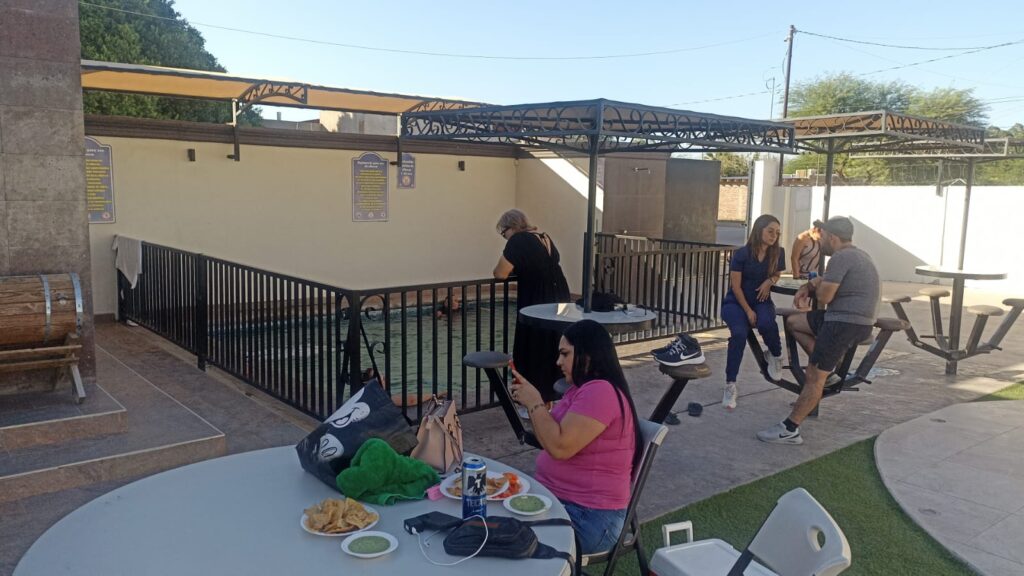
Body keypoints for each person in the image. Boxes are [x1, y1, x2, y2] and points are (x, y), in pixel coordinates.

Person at [509, 319, 642, 554]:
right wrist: (533, 401)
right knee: (489, 518)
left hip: (589, 516)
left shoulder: (601, 392)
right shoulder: (579, 390)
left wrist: (535, 402)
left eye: (565, 354)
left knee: (504, 538)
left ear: (587, 355)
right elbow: (548, 438)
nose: (558, 362)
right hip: (561, 502)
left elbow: (559, 447)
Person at [757, 216, 880, 445]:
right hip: (856, 321)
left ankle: (790, 429)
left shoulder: (840, 257)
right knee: (794, 322)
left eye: (822, 236)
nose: (819, 240)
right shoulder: (859, 255)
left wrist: (814, 286)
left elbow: (824, 297)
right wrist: (809, 284)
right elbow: (826, 283)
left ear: (832, 238)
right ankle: (829, 371)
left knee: (814, 376)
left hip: (844, 323)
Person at [493, 209, 571, 401]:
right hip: (560, 295)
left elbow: (500, 273)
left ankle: (534, 398)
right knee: (554, 342)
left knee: (533, 346)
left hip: (538, 297)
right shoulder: (544, 237)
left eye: (504, 233)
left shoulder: (518, 240)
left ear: (511, 227)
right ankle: (554, 394)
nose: (505, 237)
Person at [718, 214, 786, 411]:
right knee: (739, 334)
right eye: (770, 231)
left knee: (767, 323)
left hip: (762, 301)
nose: (774, 236)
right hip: (736, 303)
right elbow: (736, 286)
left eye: (777, 233)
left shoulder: (778, 252)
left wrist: (769, 281)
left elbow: (777, 273)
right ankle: (730, 385)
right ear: (759, 230)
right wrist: (748, 311)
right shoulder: (742, 254)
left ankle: (775, 355)